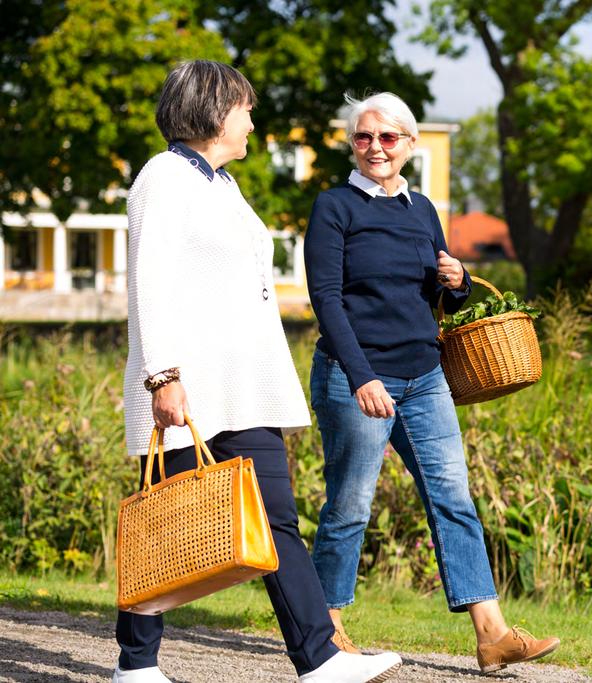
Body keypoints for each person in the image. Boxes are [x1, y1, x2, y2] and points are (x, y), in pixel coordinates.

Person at [116, 60, 402, 683]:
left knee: (275, 517)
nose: (253, 121)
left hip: (241, 383)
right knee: (164, 519)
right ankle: (135, 666)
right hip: (186, 386)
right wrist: (163, 378)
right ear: (216, 111)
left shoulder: (220, 184)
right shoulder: (162, 179)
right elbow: (148, 284)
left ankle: (319, 658)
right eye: (245, 108)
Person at [303, 91, 560, 674]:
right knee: (348, 507)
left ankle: (492, 634)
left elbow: (438, 295)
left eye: (388, 137)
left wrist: (460, 280)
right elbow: (326, 299)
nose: (375, 148)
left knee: (453, 498)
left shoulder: (422, 210)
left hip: (425, 377)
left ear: (410, 145)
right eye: (364, 137)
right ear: (352, 144)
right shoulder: (334, 207)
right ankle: (327, 632)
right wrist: (362, 375)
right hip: (357, 378)